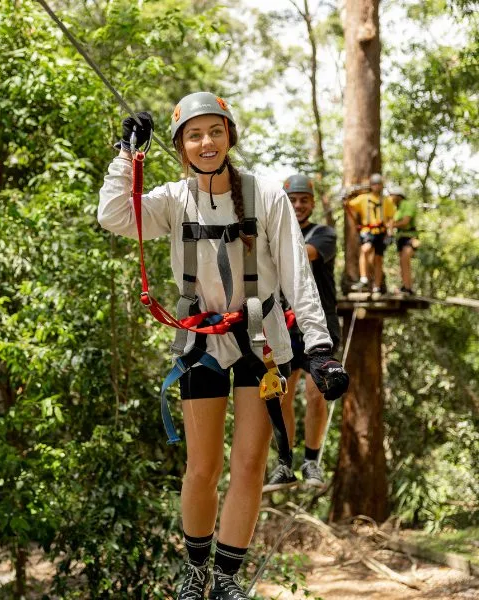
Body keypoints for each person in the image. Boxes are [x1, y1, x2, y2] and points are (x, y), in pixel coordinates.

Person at [97, 92, 349, 599]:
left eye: (215, 131)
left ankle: (227, 579)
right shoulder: (173, 199)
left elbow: (299, 277)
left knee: (250, 464)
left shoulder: (267, 197)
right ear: (181, 146)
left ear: (229, 136)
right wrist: (126, 155)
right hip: (202, 338)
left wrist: (319, 349)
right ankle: (195, 572)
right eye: (194, 134)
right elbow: (114, 215)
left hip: (262, 340)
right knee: (202, 466)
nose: (206, 141)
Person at [263, 174, 342, 493]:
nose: (298, 205)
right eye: (292, 200)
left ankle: (311, 461)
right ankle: (285, 463)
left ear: (311, 203)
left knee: (315, 392)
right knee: (281, 393)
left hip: (317, 325)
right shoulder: (275, 233)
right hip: (283, 324)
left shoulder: (322, 235)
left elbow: (302, 255)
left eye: (303, 200)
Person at [346, 173, 396, 294]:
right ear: (371, 185)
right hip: (367, 231)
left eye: (379, 184)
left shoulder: (386, 201)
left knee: (378, 259)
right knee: (365, 249)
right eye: (374, 184)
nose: (377, 186)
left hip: (381, 232)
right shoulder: (364, 198)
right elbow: (348, 205)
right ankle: (364, 278)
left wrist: (390, 233)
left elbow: (390, 219)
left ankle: (377, 286)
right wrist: (347, 194)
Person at [390, 186, 419, 295]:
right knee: (402, 262)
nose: (391, 198)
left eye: (392, 195)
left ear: (398, 196)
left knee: (405, 260)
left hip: (410, 237)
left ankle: (408, 287)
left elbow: (406, 221)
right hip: (400, 238)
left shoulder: (408, 204)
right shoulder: (396, 208)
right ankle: (405, 286)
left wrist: (392, 225)